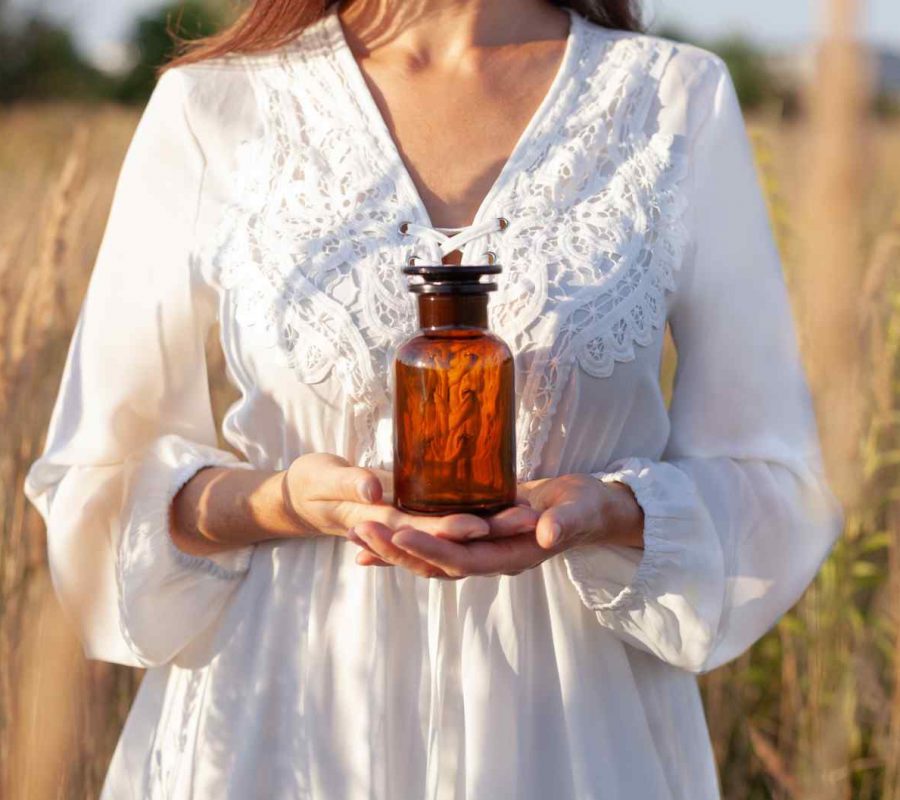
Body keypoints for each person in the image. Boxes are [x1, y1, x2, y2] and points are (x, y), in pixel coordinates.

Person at [25, 0, 843, 797]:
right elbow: (99, 478)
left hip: (572, 726)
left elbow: (771, 473)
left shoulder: (673, 96)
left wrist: (610, 511)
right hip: (280, 720)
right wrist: (283, 503)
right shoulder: (214, 105)